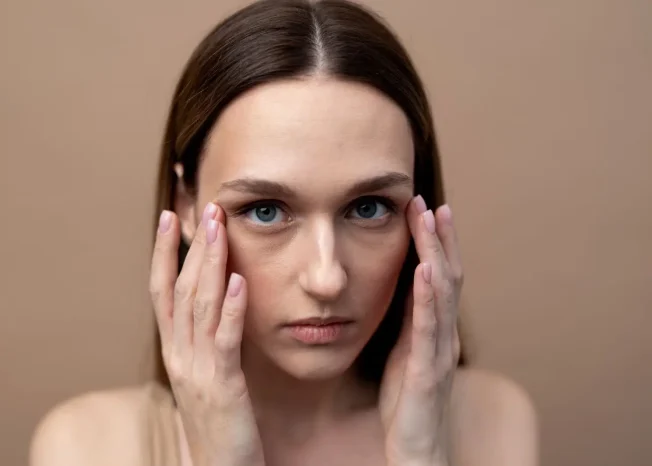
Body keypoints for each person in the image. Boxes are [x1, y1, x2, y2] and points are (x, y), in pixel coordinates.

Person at [29, 1, 538, 465]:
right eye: (267, 211)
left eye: (368, 207)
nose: (326, 278)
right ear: (184, 204)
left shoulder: (494, 423)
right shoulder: (87, 447)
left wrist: (419, 454)